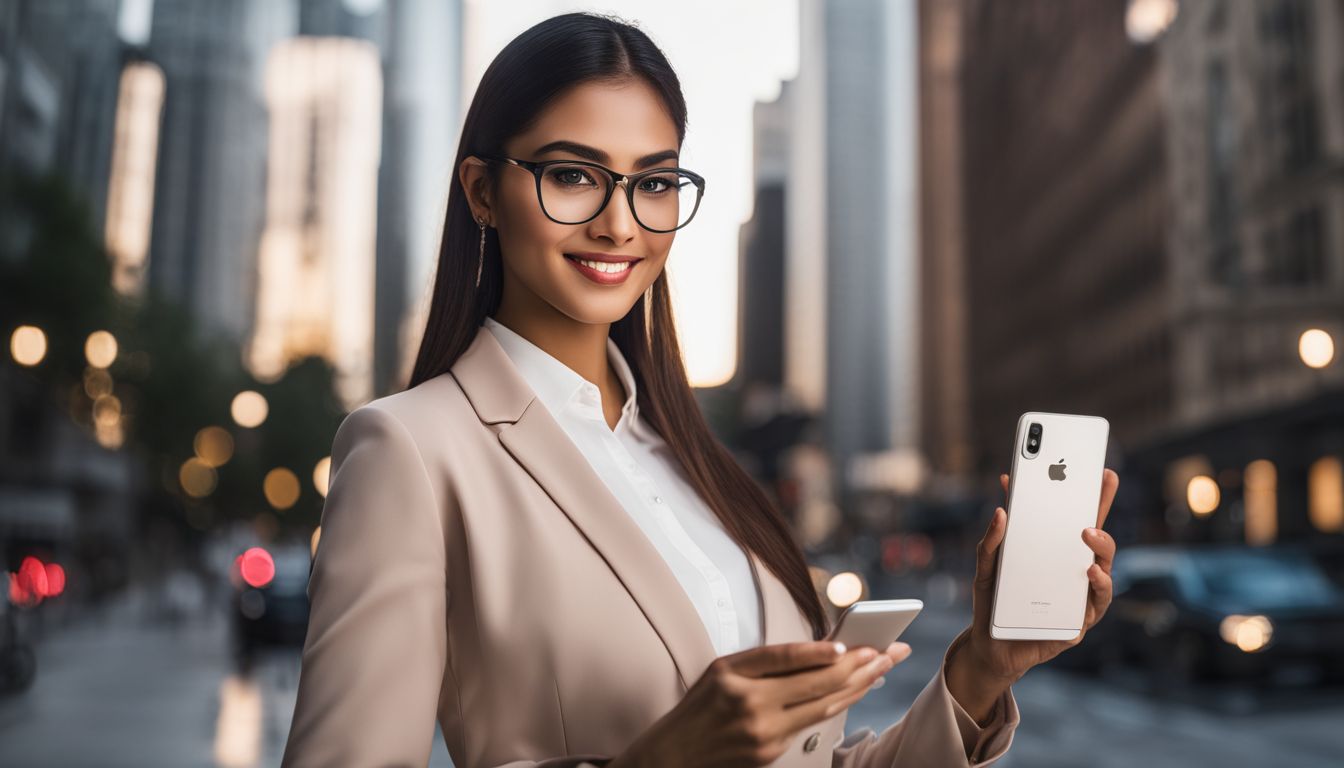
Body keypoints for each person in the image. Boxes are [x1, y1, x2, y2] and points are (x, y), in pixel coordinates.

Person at [280, 11, 1120, 768]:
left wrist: (978, 671)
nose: (619, 223)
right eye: (574, 175)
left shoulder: (695, 463)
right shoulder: (410, 452)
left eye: (652, 182)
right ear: (481, 192)